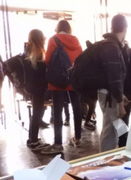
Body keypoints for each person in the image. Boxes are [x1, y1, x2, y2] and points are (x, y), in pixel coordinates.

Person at [42, 20, 83, 154]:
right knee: (76, 107)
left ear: (58, 28)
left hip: (57, 79)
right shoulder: (76, 41)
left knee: (58, 111)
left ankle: (58, 143)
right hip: (73, 78)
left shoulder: (53, 40)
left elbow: (48, 59)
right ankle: (77, 138)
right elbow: (81, 59)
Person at [98, 14, 128, 152]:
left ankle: (105, 157)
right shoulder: (112, 47)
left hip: (107, 93)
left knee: (110, 127)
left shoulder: (109, 44)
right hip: (110, 95)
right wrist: (120, 102)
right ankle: (106, 161)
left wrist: (121, 96)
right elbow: (115, 78)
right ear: (125, 28)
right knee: (110, 130)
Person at [24, 29, 50, 150]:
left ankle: (32, 139)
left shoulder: (28, 49)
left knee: (36, 113)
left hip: (32, 88)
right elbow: (40, 72)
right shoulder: (37, 52)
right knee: (37, 113)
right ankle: (33, 141)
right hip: (38, 88)